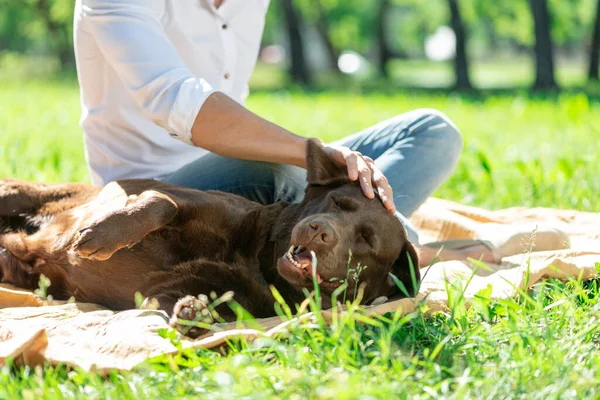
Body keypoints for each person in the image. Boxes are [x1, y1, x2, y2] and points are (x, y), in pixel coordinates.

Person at [73, 0, 467, 265]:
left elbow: (233, 103)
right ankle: (398, 245)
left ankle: (373, 234)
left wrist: (317, 160)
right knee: (275, 169)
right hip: (150, 195)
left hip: (235, 170)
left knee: (433, 130)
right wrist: (307, 152)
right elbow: (179, 102)